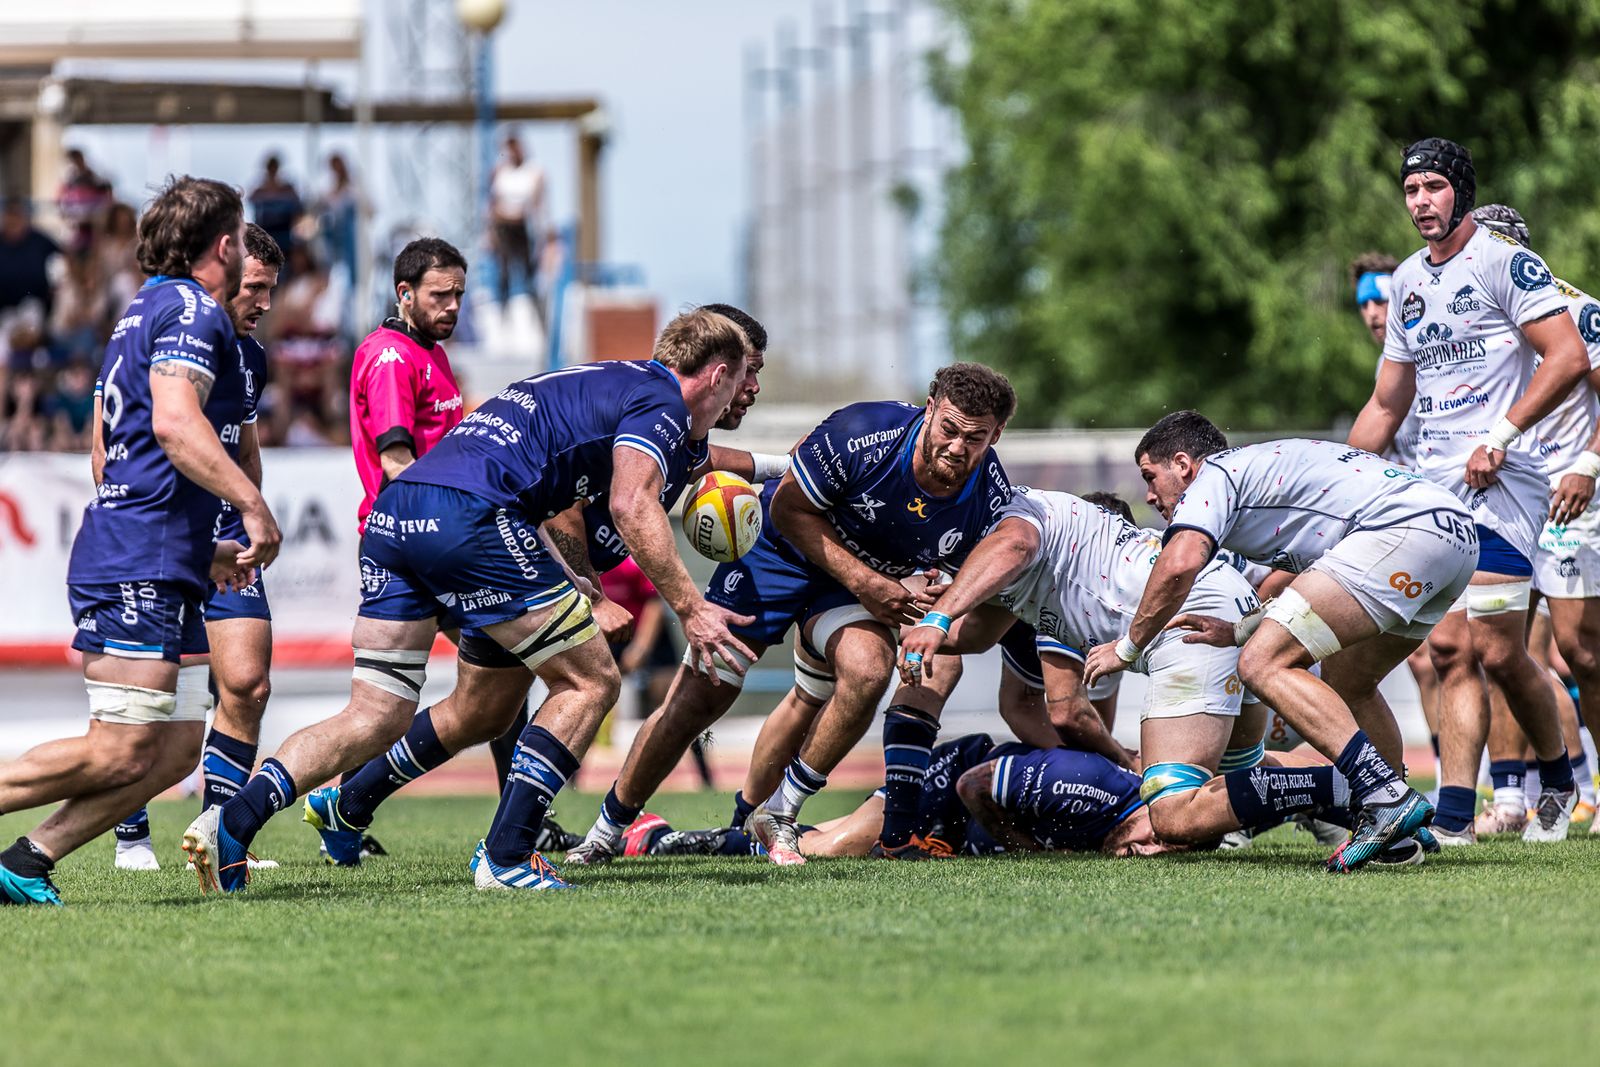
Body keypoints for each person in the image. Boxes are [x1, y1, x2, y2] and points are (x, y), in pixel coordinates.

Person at [183, 308, 753, 894]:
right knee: (590, 682)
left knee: (406, 714)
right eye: (744, 378)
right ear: (716, 375)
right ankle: (506, 857)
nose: (749, 391)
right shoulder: (661, 402)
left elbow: (692, 464)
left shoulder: (616, 382)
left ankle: (236, 820)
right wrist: (691, 609)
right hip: (474, 520)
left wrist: (781, 467)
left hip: (399, 512)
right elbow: (634, 504)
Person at [566, 363, 1016, 867]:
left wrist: (928, 626)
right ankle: (609, 828)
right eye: (949, 429)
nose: (956, 447)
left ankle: (777, 812)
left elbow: (968, 584)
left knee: (868, 671)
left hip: (848, 584)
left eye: (974, 438)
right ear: (930, 408)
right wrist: (870, 584)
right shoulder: (863, 433)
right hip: (778, 553)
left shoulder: (991, 497)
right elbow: (787, 510)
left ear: (996, 434)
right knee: (698, 700)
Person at [0, 176, 281, 905]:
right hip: (138, 555)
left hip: (162, 551)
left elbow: (112, 448)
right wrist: (250, 504)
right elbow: (175, 423)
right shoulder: (193, 308)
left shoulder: (143, 306)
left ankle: (27, 860)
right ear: (225, 244)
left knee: (174, 750)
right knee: (120, 747)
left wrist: (199, 545)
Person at [1079, 412, 1478, 871]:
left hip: (1402, 530)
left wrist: (1127, 646)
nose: (1149, 495)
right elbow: (1321, 585)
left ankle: (1385, 796)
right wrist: (1240, 630)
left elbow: (1178, 564)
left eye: (1151, 477)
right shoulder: (1255, 472)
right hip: (1454, 536)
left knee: (1260, 665)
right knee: (1352, 682)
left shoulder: (1214, 478)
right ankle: (1394, 825)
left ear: (1184, 464)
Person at [897, 486, 1374, 862]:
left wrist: (1124, 757)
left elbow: (1063, 710)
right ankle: (1371, 798)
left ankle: (1351, 787)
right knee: (1237, 778)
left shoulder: (1023, 539)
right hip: (1222, 606)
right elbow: (977, 634)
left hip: (1188, 622)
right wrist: (906, 618)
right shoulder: (1058, 557)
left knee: (1170, 813)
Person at [1346, 139, 1591, 844]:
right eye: (1410, 189)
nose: (1420, 201)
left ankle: (1557, 772)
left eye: (1432, 186)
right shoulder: (1407, 285)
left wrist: (1502, 436)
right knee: (1449, 650)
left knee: (1498, 650)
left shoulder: (1505, 260)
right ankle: (1453, 813)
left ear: (1460, 190)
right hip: (1432, 488)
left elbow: (1568, 355)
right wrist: (1334, 477)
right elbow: (1386, 406)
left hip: (1506, 483)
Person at [109, 224, 284, 870]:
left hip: (228, 541)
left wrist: (251, 510)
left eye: (272, 289)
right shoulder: (169, 330)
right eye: (257, 287)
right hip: (163, 537)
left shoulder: (252, 356)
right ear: (227, 270)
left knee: (248, 684)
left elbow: (244, 444)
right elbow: (112, 449)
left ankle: (218, 833)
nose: (264, 302)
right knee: (151, 697)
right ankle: (130, 833)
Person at [1461, 203, 1600, 835]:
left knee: (1581, 651)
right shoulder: (1470, 319)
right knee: (1499, 650)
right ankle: (1513, 799)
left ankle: (1592, 788)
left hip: (1574, 495)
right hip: (1509, 497)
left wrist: (1589, 466)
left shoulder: (1576, 309)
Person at [641, 734, 1177, 860]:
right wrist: (1024, 846)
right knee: (836, 847)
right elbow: (973, 785)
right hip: (953, 778)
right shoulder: (1092, 788)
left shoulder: (1123, 819)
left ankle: (657, 837)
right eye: (1157, 844)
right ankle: (675, 842)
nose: (1146, 855)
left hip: (970, 807)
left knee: (829, 840)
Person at [1351, 250, 1445, 792]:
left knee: (1506, 654)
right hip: (1412, 524)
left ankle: (1527, 779)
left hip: (1454, 517)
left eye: (1381, 297)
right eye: (1363, 301)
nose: (1372, 311)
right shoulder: (1388, 368)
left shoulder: (1431, 355)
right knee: (1427, 664)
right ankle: (1441, 777)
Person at [488, 133, 546, 315]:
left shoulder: (533, 172)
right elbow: (491, 203)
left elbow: (539, 205)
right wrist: (489, 233)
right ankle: (502, 311)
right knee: (503, 270)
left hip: (523, 227)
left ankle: (534, 310)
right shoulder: (500, 171)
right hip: (503, 227)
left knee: (528, 270)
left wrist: (542, 233)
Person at [249, 155, 303, 266]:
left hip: (285, 236)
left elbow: (298, 210)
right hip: (265, 235)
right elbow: (251, 200)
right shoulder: (260, 190)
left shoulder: (287, 189)